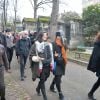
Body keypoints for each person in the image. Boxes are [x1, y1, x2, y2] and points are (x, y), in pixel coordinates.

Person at [29, 32, 52, 100]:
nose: (46, 36)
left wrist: (46, 61)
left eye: (46, 35)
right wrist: (37, 58)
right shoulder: (35, 45)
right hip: (40, 66)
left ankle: (38, 88)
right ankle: (45, 97)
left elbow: (50, 56)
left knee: (45, 78)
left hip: (47, 65)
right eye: (44, 35)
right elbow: (31, 55)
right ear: (40, 36)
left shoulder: (47, 45)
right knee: (42, 80)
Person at [49, 32, 67, 100]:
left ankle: (51, 86)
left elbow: (65, 52)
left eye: (62, 36)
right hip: (56, 63)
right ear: (57, 37)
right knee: (58, 78)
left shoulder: (63, 44)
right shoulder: (53, 44)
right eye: (60, 36)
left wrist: (65, 43)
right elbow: (51, 55)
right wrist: (56, 56)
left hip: (62, 63)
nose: (61, 37)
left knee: (58, 76)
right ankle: (60, 93)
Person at [87, 31, 100, 100]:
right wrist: (94, 68)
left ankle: (90, 93)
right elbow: (95, 57)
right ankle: (90, 93)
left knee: (99, 82)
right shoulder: (97, 45)